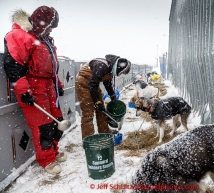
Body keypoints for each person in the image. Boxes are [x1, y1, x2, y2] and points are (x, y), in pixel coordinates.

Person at [3, 6, 67, 175]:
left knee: (57, 120)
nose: (52, 30)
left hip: (48, 85)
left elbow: (52, 67)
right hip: (33, 86)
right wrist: (23, 91)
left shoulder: (45, 40)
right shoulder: (20, 36)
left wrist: (58, 84)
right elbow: (14, 66)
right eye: (51, 26)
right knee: (43, 125)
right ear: (42, 23)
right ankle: (47, 160)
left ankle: (53, 151)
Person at [75, 55, 131, 139]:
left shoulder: (110, 67)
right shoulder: (102, 67)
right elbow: (92, 84)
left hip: (93, 84)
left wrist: (112, 95)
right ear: (119, 68)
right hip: (83, 83)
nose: (120, 74)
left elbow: (107, 82)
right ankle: (88, 138)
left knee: (101, 110)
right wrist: (96, 102)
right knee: (88, 112)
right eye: (122, 72)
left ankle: (104, 132)